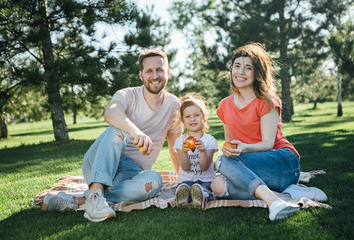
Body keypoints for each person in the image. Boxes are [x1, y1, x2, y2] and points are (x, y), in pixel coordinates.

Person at [42, 49, 182, 222]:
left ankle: (83, 199)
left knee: (155, 181)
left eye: (160, 70)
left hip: (132, 174)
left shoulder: (174, 104)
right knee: (118, 130)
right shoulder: (127, 94)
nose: (155, 75)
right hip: (100, 162)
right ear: (141, 75)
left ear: (167, 72)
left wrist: (183, 180)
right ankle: (95, 192)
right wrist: (135, 131)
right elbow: (110, 113)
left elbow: (176, 148)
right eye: (149, 71)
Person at [210, 43, 327, 221]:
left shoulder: (267, 101)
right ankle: (286, 195)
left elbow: (268, 144)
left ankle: (274, 202)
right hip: (253, 167)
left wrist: (242, 149)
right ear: (231, 69)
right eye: (237, 66)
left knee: (223, 162)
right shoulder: (225, 105)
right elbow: (231, 148)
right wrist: (231, 150)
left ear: (257, 73)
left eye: (248, 68)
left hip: (283, 161)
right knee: (217, 185)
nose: (240, 72)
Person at [174, 93, 218, 210]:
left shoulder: (209, 140)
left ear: (204, 117)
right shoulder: (180, 141)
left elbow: (203, 167)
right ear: (183, 121)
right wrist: (184, 152)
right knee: (184, 187)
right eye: (187, 116)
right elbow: (185, 167)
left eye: (196, 115)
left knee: (203, 188)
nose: (192, 119)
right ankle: (184, 197)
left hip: (205, 180)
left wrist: (203, 151)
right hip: (186, 180)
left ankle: (202, 196)